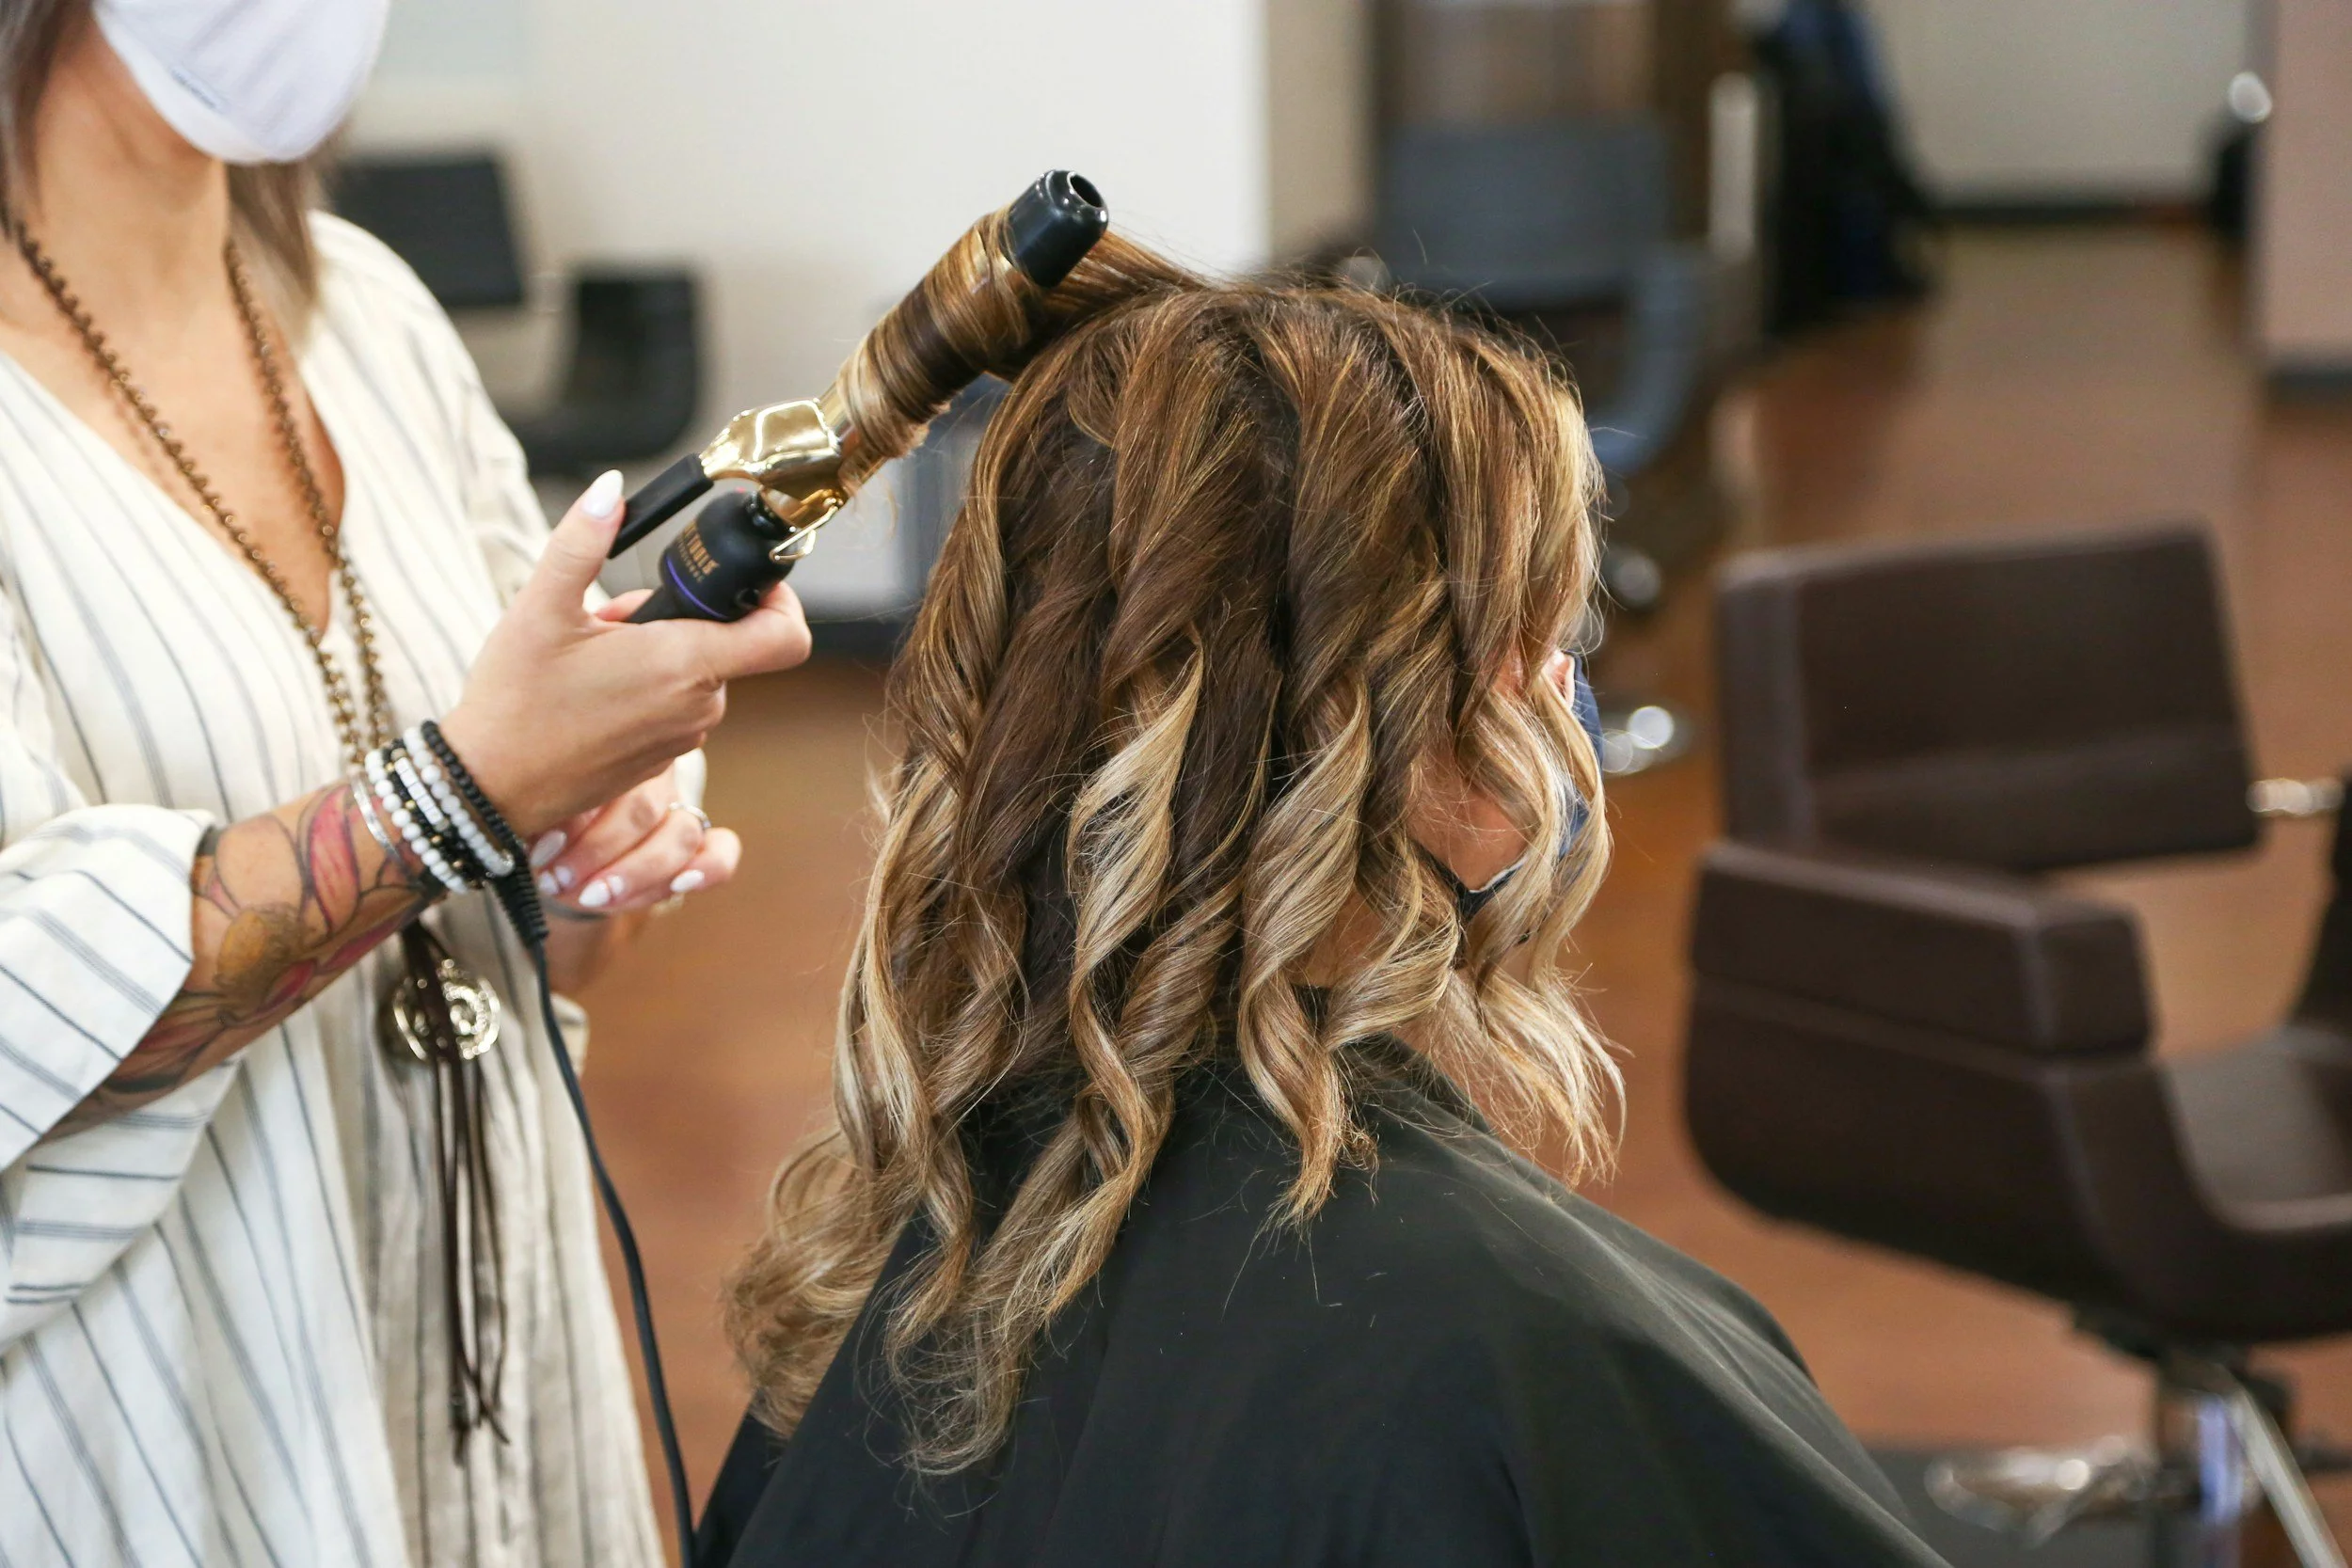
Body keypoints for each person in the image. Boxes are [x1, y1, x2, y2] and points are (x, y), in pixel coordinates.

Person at [693, 248, 1953, 1566]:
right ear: (1409, 717)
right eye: (1538, 628)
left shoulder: (902, 1265)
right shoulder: (1540, 1345)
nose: (1554, 685)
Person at [0, 0, 809, 1562]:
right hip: (164, 1411)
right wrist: (464, 791)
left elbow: (549, 931)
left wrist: (592, 838)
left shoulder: (367, 315)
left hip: (491, 1348)